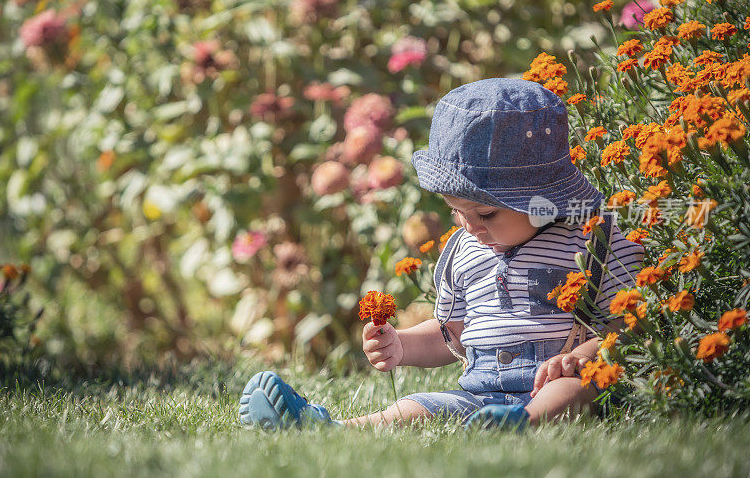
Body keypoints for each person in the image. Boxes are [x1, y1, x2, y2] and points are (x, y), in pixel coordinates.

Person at [238, 78, 644, 430]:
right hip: (479, 396)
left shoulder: (591, 241)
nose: (470, 226)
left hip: (555, 383)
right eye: (456, 211)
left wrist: (581, 356)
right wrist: (402, 346)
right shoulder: (465, 249)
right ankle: (331, 426)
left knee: (575, 389)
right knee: (415, 408)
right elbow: (453, 333)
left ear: (541, 200)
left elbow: (628, 329)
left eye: (486, 212)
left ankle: (526, 424)